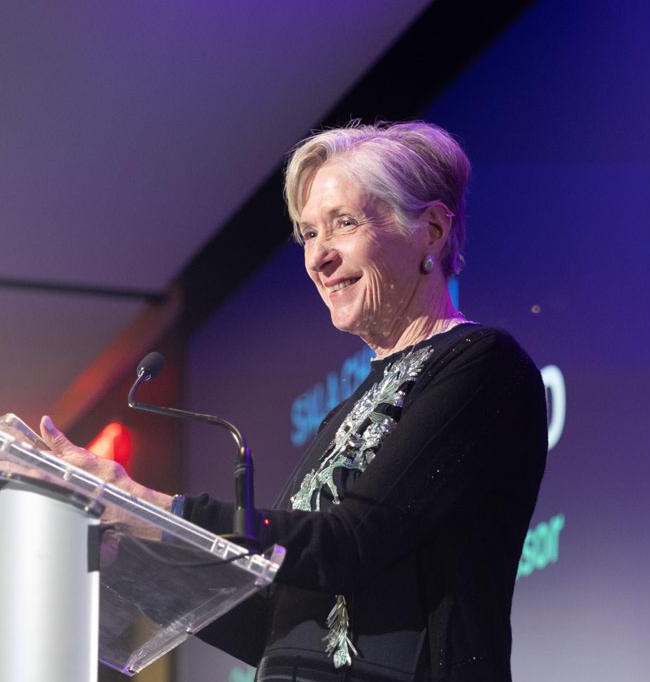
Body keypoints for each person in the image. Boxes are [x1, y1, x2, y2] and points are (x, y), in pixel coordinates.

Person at [37, 121, 547, 681]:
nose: (318, 257)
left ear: (430, 230)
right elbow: (265, 623)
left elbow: (353, 541)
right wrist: (121, 553)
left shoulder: (479, 365)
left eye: (344, 224)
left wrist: (141, 503)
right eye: (308, 234)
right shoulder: (344, 412)